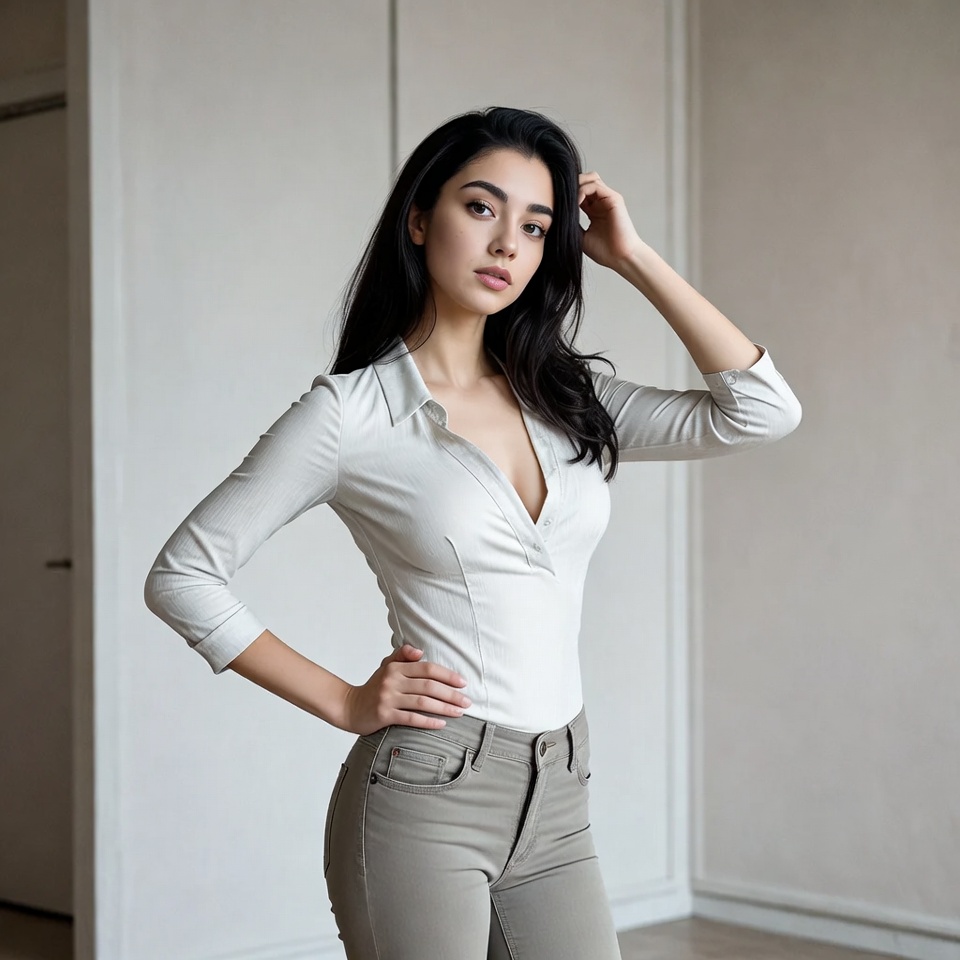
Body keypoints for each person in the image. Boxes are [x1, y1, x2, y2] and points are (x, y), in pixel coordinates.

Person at [144, 105, 801, 959]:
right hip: (426, 792)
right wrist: (344, 700)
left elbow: (762, 412)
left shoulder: (568, 401)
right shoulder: (351, 414)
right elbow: (183, 574)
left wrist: (633, 257)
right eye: (481, 208)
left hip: (560, 789)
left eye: (535, 226)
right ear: (420, 219)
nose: (507, 246)